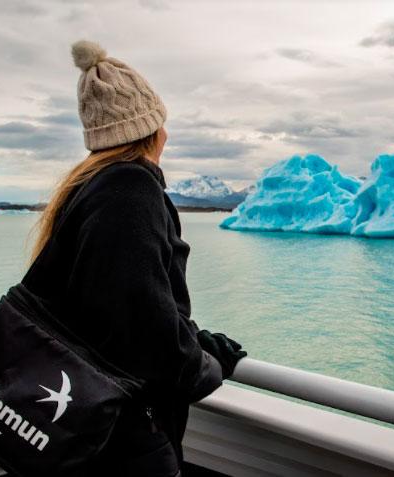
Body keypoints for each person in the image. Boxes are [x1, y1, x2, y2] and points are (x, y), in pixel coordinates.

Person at [20, 40, 247, 476]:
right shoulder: (130, 190)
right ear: (150, 128)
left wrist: (192, 337)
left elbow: (116, 305)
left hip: (85, 428)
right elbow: (148, 336)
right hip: (119, 442)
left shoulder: (90, 188)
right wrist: (209, 363)